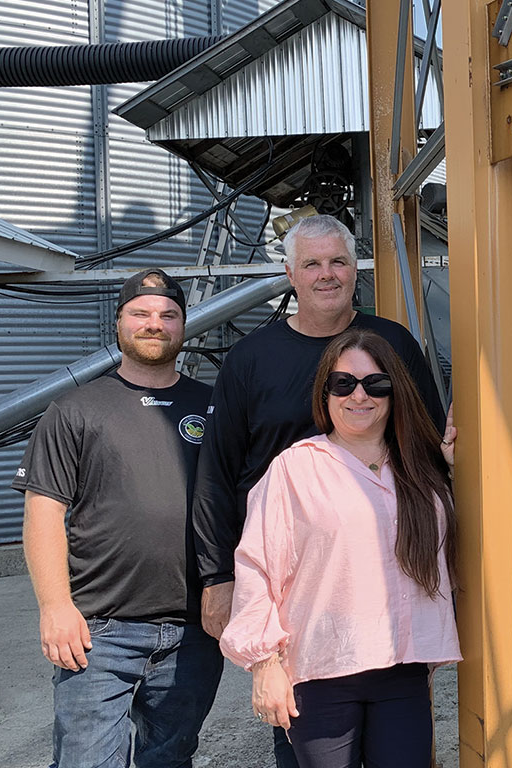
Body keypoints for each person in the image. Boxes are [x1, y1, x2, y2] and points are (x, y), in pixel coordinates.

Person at [192, 214, 449, 767]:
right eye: (312, 263)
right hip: (301, 592)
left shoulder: (393, 345)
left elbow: (428, 456)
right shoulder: (251, 361)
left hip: (382, 589)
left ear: (354, 269)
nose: (326, 274)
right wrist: (218, 579)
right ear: (290, 273)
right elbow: (216, 473)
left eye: (338, 261)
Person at [219, 328, 459, 768]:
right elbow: (257, 567)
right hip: (322, 669)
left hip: (402, 669)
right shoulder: (295, 468)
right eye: (343, 383)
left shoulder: (422, 471)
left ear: (395, 391)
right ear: (325, 393)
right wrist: (264, 664)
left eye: (376, 383)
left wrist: (456, 469)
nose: (359, 396)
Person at [14, 268, 222, 768]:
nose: (155, 323)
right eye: (141, 314)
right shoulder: (75, 409)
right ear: (119, 323)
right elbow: (44, 509)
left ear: (183, 326)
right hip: (99, 631)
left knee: (169, 759)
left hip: (195, 629)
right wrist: (54, 606)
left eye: (168, 315)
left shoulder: (214, 406)